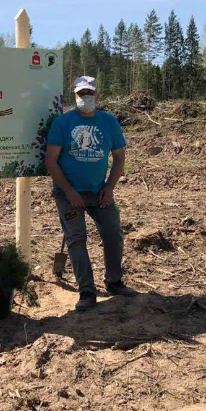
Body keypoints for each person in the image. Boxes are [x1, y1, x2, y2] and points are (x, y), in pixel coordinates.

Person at [45, 76, 137, 311]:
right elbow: (51, 161)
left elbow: (119, 156)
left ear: (97, 95)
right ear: (74, 96)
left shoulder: (108, 121)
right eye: (80, 94)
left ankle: (114, 282)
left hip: (99, 193)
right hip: (69, 194)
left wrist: (109, 187)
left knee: (113, 233)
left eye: (89, 93)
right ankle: (87, 291)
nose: (85, 97)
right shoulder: (63, 123)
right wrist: (68, 191)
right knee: (76, 239)